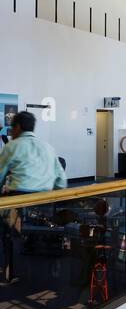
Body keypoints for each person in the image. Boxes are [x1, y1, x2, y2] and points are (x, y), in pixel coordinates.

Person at [0, 112, 68, 284]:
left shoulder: (12, 146)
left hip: (18, 202)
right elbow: (62, 181)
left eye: (12, 128)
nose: (11, 132)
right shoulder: (48, 147)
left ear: (18, 127)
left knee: (4, 229)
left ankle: (7, 273)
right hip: (45, 202)